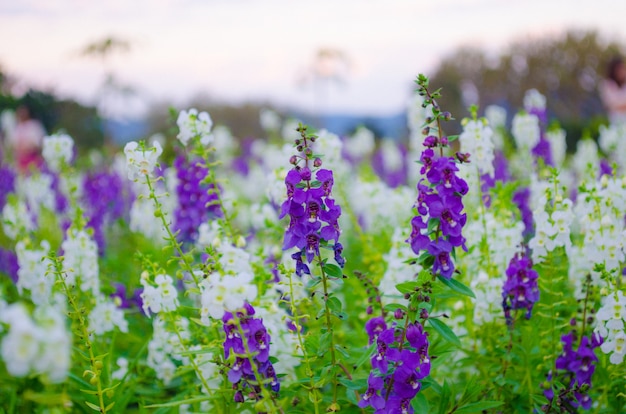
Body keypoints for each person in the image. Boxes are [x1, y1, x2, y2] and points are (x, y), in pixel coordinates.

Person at [8, 104, 46, 173]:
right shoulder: (17, 127)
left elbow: (40, 143)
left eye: (23, 112)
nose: (22, 114)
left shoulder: (34, 125)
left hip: (33, 159)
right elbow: (13, 145)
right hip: (20, 161)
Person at [599, 56, 626, 125]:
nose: (622, 72)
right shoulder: (607, 85)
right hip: (615, 122)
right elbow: (612, 105)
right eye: (619, 69)